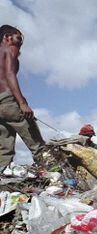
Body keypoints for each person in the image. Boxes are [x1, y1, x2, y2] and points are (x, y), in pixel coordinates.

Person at [0, 25, 45, 172]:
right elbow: (9, 74)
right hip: (8, 101)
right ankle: (52, 172)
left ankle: (3, 177)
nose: (20, 44)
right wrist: (23, 103)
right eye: (18, 38)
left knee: (4, 147)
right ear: (7, 38)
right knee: (36, 142)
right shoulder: (9, 49)